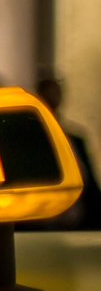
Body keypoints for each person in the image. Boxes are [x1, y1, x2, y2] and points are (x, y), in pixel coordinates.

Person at [34, 76, 101, 230]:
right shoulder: (32, 141)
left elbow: (89, 184)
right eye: (47, 95)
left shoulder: (75, 139)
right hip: (44, 226)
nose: (52, 100)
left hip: (77, 224)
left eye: (54, 95)